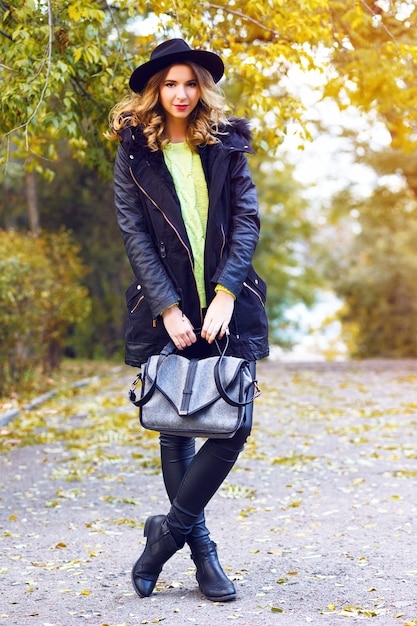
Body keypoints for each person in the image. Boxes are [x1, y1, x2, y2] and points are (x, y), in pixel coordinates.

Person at [108, 38, 269, 602]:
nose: (181, 93)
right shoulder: (134, 151)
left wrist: (226, 293)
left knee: (235, 424)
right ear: (156, 89)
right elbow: (135, 236)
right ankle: (203, 555)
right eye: (170, 83)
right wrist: (168, 306)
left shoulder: (225, 145)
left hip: (227, 301)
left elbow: (247, 219)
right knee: (175, 426)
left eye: (190, 82)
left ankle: (166, 536)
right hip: (166, 309)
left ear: (203, 88)